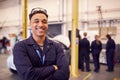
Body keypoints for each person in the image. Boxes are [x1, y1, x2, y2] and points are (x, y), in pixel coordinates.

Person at [13, 7, 70, 80]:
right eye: (36, 21)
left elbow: (64, 74)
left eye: (44, 21)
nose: (40, 25)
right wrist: (53, 68)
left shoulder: (57, 46)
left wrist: (37, 74)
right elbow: (28, 75)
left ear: (47, 24)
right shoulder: (20, 47)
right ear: (30, 24)